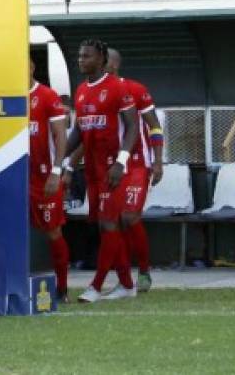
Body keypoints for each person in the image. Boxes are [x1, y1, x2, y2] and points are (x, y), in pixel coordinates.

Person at [60, 39, 140, 302]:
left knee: (108, 225)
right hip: (92, 171)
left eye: (87, 56)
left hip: (113, 169)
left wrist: (121, 161)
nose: (81, 60)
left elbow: (132, 127)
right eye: (80, 56)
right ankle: (127, 284)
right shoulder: (82, 90)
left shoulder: (118, 88)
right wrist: (60, 159)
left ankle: (95, 286)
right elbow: (79, 131)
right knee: (104, 226)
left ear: (102, 59)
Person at [105, 48, 164, 293]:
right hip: (108, 165)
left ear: (113, 65)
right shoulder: (92, 91)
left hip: (137, 164)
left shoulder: (135, 89)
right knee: (112, 222)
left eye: (103, 60)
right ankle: (123, 277)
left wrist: (158, 161)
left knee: (130, 217)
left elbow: (154, 126)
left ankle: (144, 271)